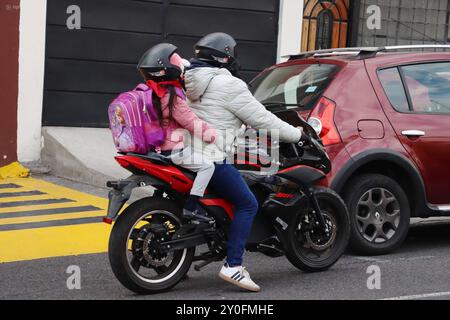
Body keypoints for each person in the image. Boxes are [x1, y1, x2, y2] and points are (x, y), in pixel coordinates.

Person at [184, 32, 306, 292]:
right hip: (212, 157)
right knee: (248, 203)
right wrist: (297, 134)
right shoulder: (229, 84)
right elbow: (263, 119)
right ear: (225, 56)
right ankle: (233, 266)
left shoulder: (191, 81)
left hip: (185, 154)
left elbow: (217, 116)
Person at [137, 43, 217, 223]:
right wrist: (211, 135)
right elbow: (190, 121)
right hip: (172, 150)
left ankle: (161, 205)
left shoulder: (148, 92)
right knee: (207, 167)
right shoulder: (172, 96)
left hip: (153, 149)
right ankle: (192, 207)